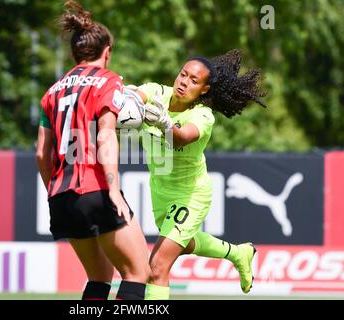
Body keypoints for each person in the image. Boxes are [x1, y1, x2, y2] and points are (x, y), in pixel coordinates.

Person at [130, 49, 267, 299]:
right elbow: (135, 97)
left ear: (204, 89)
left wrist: (164, 122)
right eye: (183, 75)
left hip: (190, 196)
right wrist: (125, 98)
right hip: (160, 191)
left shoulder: (202, 115)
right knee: (183, 244)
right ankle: (237, 253)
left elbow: (182, 138)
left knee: (157, 266)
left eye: (194, 80)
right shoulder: (156, 92)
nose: (184, 82)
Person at [36, 0, 150, 300]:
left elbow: (41, 153)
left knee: (99, 278)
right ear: (107, 51)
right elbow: (106, 137)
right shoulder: (107, 80)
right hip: (96, 189)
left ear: (75, 53)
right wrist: (113, 191)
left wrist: (54, 189)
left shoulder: (52, 91)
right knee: (138, 273)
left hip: (62, 197)